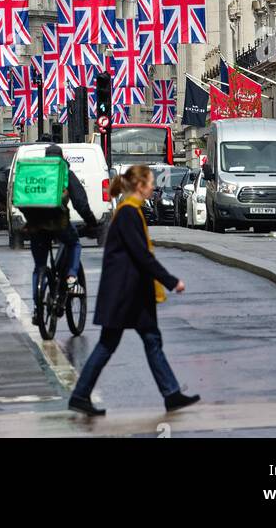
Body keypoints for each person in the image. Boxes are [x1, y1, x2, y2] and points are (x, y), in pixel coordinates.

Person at [68, 164, 201, 419]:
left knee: (150, 340)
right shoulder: (129, 213)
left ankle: (171, 393)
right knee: (111, 344)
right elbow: (142, 255)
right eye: (150, 183)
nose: (153, 187)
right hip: (125, 294)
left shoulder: (130, 211)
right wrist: (172, 281)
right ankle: (80, 395)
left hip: (130, 292)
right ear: (140, 186)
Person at [25, 143, 98, 324]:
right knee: (74, 244)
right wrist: (91, 222)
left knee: (39, 267)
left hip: (35, 223)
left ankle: (38, 309)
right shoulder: (63, 170)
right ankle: (72, 277)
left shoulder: (37, 172)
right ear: (62, 157)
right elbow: (80, 202)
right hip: (58, 221)